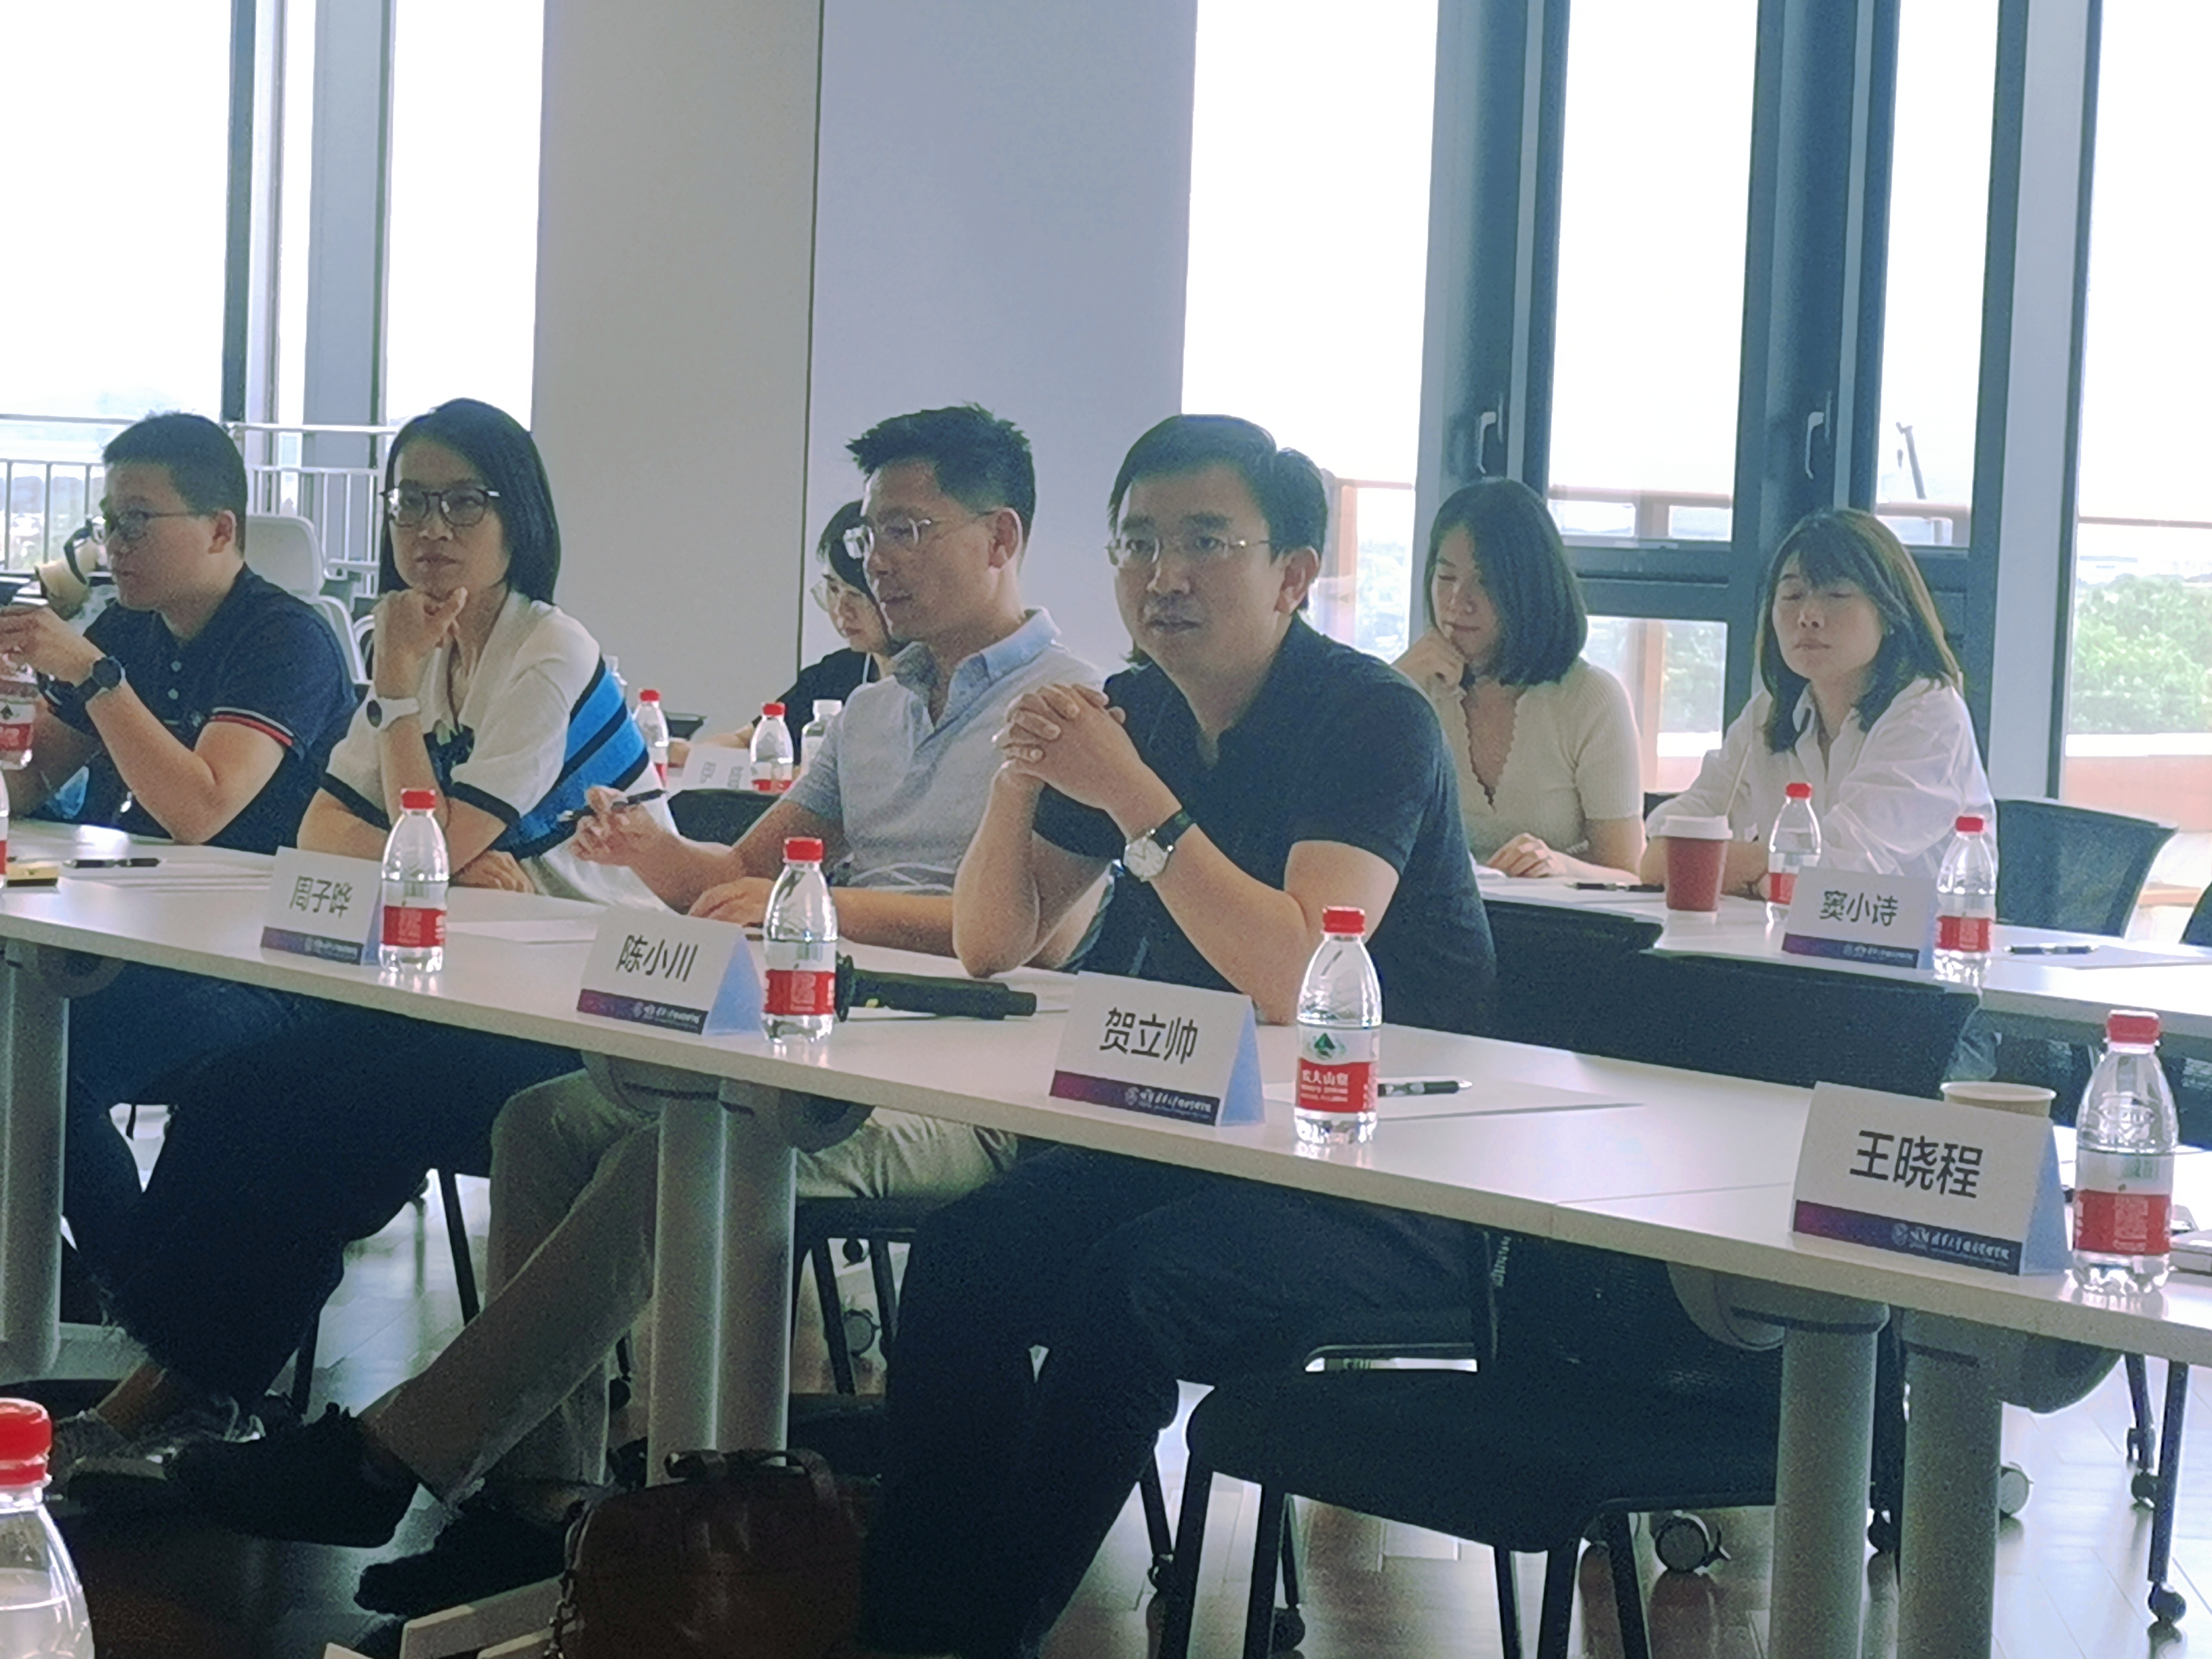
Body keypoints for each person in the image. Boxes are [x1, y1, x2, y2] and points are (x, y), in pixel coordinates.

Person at [165, 404, 1107, 1620]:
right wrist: (645, 847)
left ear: (1001, 537)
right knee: (545, 1121)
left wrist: (806, 906)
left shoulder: (1067, 709)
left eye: (910, 529)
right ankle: (536, 1506)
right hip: (807, 1039)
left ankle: (391, 1455)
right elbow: (742, 873)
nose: (879, 557)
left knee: (681, 1154)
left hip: (961, 1086)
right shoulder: (876, 705)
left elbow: (1035, 941)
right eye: (870, 532)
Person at [851, 414, 1494, 1659]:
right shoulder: (1137, 707)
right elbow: (995, 943)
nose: (1163, 576)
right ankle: (905, 1626)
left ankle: (982, 1633)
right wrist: (1020, 777)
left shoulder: (1370, 718)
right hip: (1202, 1142)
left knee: (1134, 1285)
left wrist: (1133, 794)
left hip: (1388, 1180)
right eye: (1137, 543)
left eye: (1204, 542)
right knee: (967, 1254)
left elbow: (1300, 974)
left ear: (1293, 574)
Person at [55, 398, 656, 1483]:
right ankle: (191, 1387)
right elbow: (327, 835)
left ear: (518, 517)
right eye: (410, 502)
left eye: (462, 503)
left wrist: (404, 739)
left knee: (323, 1113)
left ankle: (192, 1392)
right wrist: (435, 845)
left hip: (584, 1014)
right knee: (246, 1093)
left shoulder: (548, 650)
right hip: (453, 987)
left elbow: (425, 838)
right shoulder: (410, 643)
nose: (431, 528)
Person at [0, 413, 354, 1286]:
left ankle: (141, 1300)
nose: (113, 547)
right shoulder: (127, 630)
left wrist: (95, 677)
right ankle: (87, 1297)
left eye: (136, 521)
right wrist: (13, 710)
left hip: (261, 961)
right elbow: (30, 783)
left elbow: (201, 808)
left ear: (220, 529)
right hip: (132, 932)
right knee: (19, 1045)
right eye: (106, 523)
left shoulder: (286, 639)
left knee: (43, 1067)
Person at [1640, 507, 1991, 895]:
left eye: (1837, 595)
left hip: (1919, 935)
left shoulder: (1929, 714)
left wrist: (1729, 866)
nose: (1808, 616)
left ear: (1891, 612)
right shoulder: (1769, 714)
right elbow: (1660, 856)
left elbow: (1840, 870)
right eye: (1792, 595)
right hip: (1782, 933)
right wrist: (1767, 871)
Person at [1392, 479, 1643, 879]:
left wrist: (1560, 865)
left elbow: (1628, 873)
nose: (1458, 602)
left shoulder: (1590, 698)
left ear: (1530, 589)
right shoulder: (1416, 685)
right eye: (1446, 578)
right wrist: (1393, 691)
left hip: (1551, 916)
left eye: (1485, 583)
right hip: (1437, 915)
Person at [667, 499, 897, 769]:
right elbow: (747, 740)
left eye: (856, 595)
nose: (841, 611)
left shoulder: (927, 685)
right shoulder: (834, 673)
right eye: (834, 590)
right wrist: (693, 755)